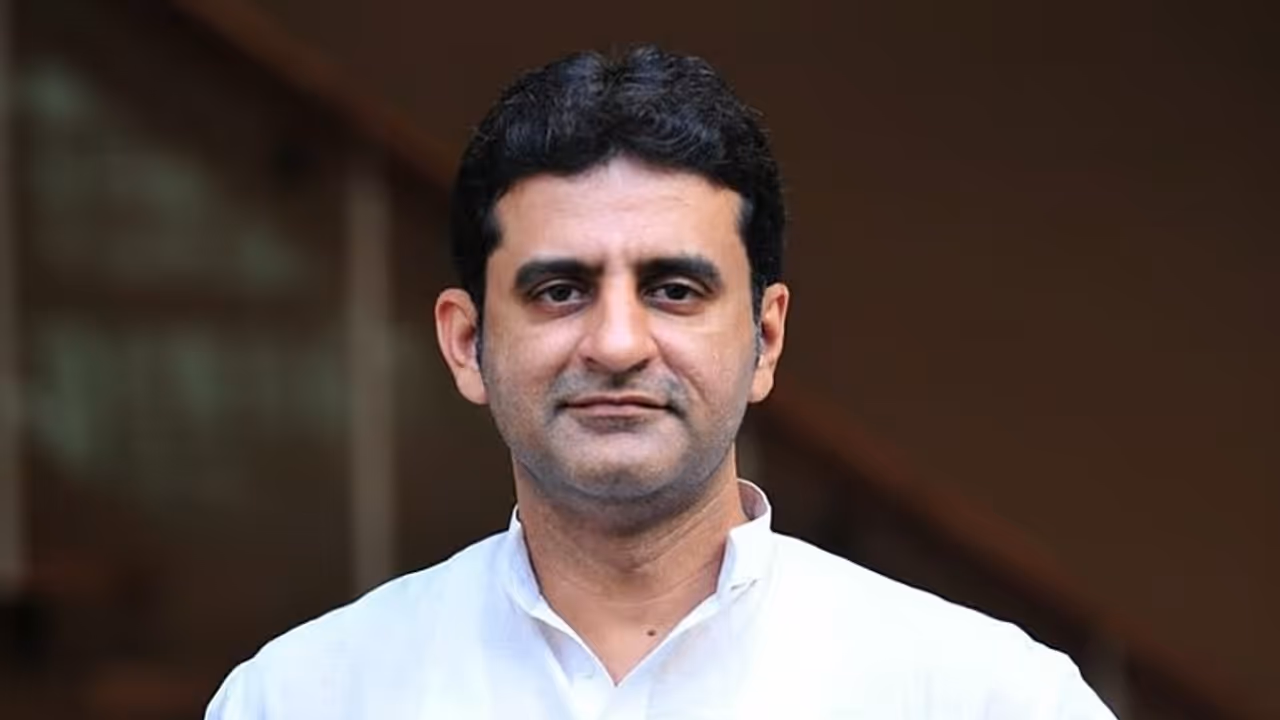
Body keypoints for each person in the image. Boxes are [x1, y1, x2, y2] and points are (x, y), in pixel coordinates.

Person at [206, 46, 1116, 719]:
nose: (615, 343)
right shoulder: (302, 698)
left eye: (673, 289)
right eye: (560, 290)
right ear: (466, 342)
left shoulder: (984, 697)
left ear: (765, 339)